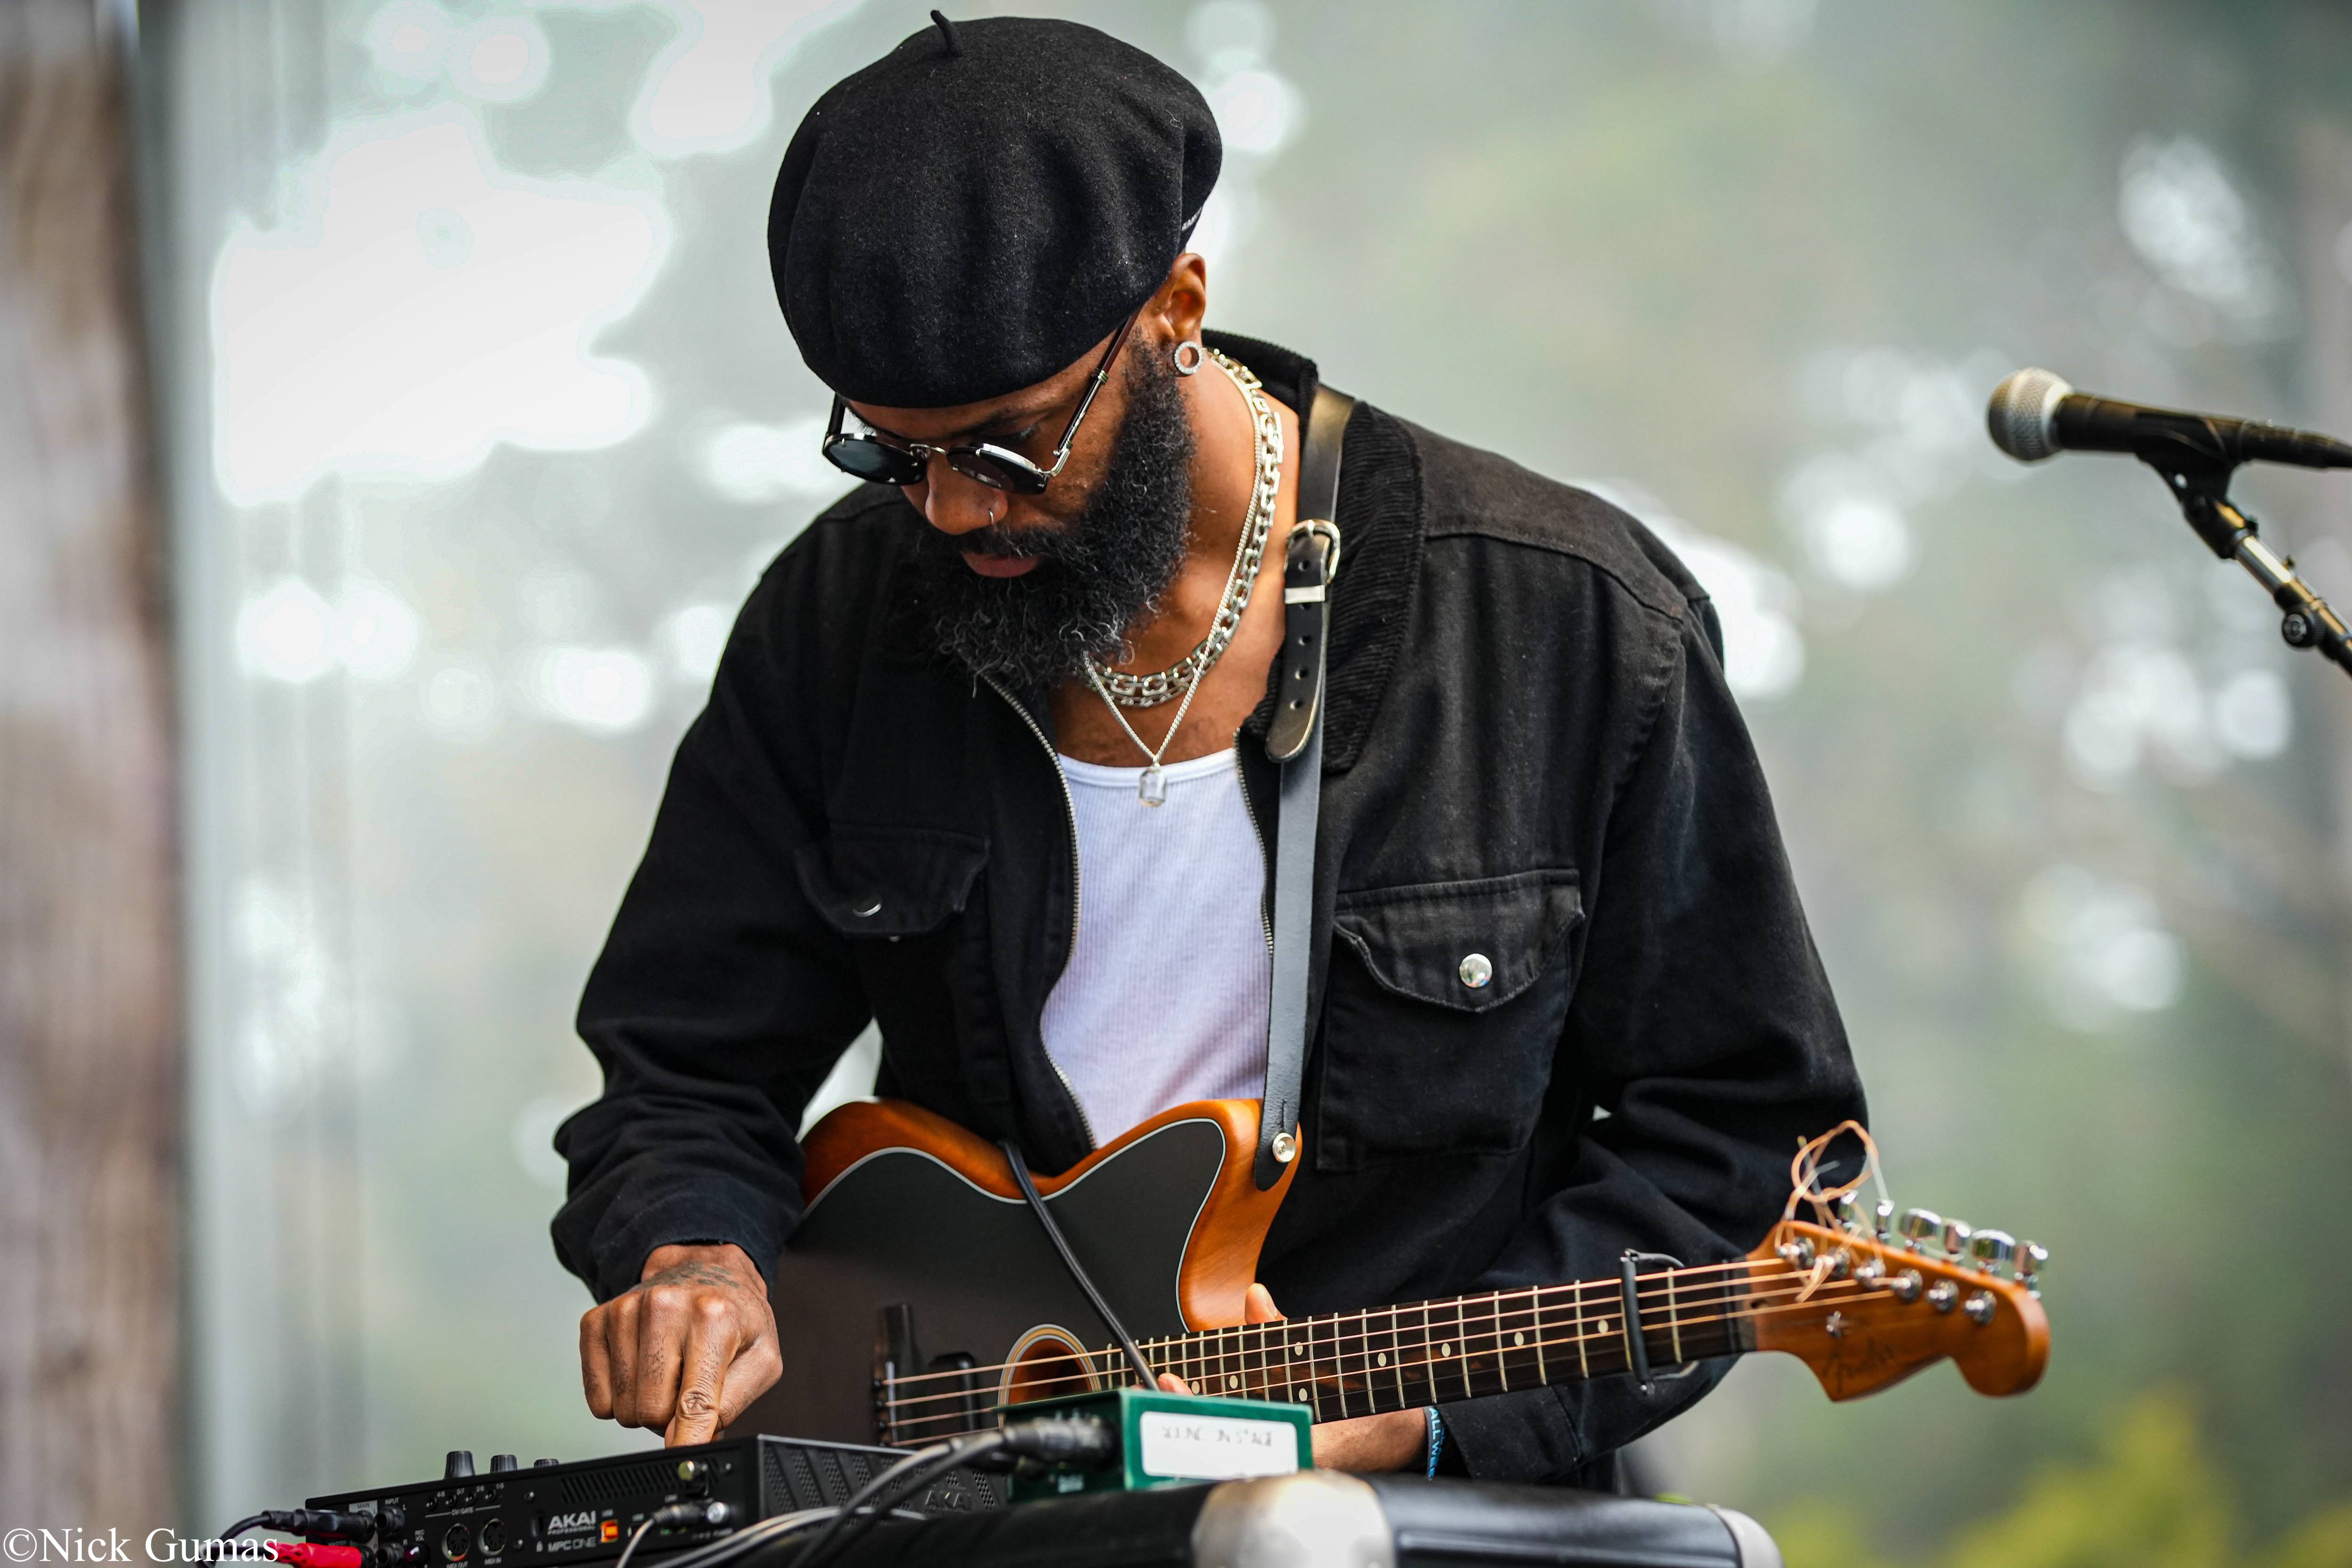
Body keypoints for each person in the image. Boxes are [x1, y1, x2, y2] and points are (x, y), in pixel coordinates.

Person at [553, 13, 1864, 1486]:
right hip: (983, 1501)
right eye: (891, 454)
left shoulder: (1569, 619)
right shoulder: (839, 617)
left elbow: (1751, 1140)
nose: (950, 517)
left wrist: (1421, 1418)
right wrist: (695, 1254)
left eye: (1008, 448)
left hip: (1431, 1526)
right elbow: (684, 1064)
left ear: (1176, 304)